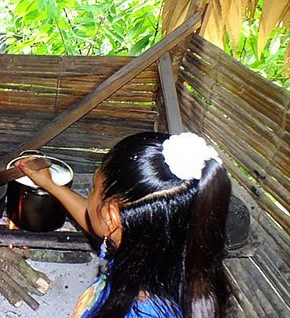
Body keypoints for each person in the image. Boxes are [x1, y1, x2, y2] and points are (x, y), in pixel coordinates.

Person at [17, 132, 231, 317]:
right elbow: (99, 223)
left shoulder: (138, 311)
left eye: (92, 190)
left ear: (111, 218)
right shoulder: (172, 257)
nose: (89, 197)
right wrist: (50, 185)